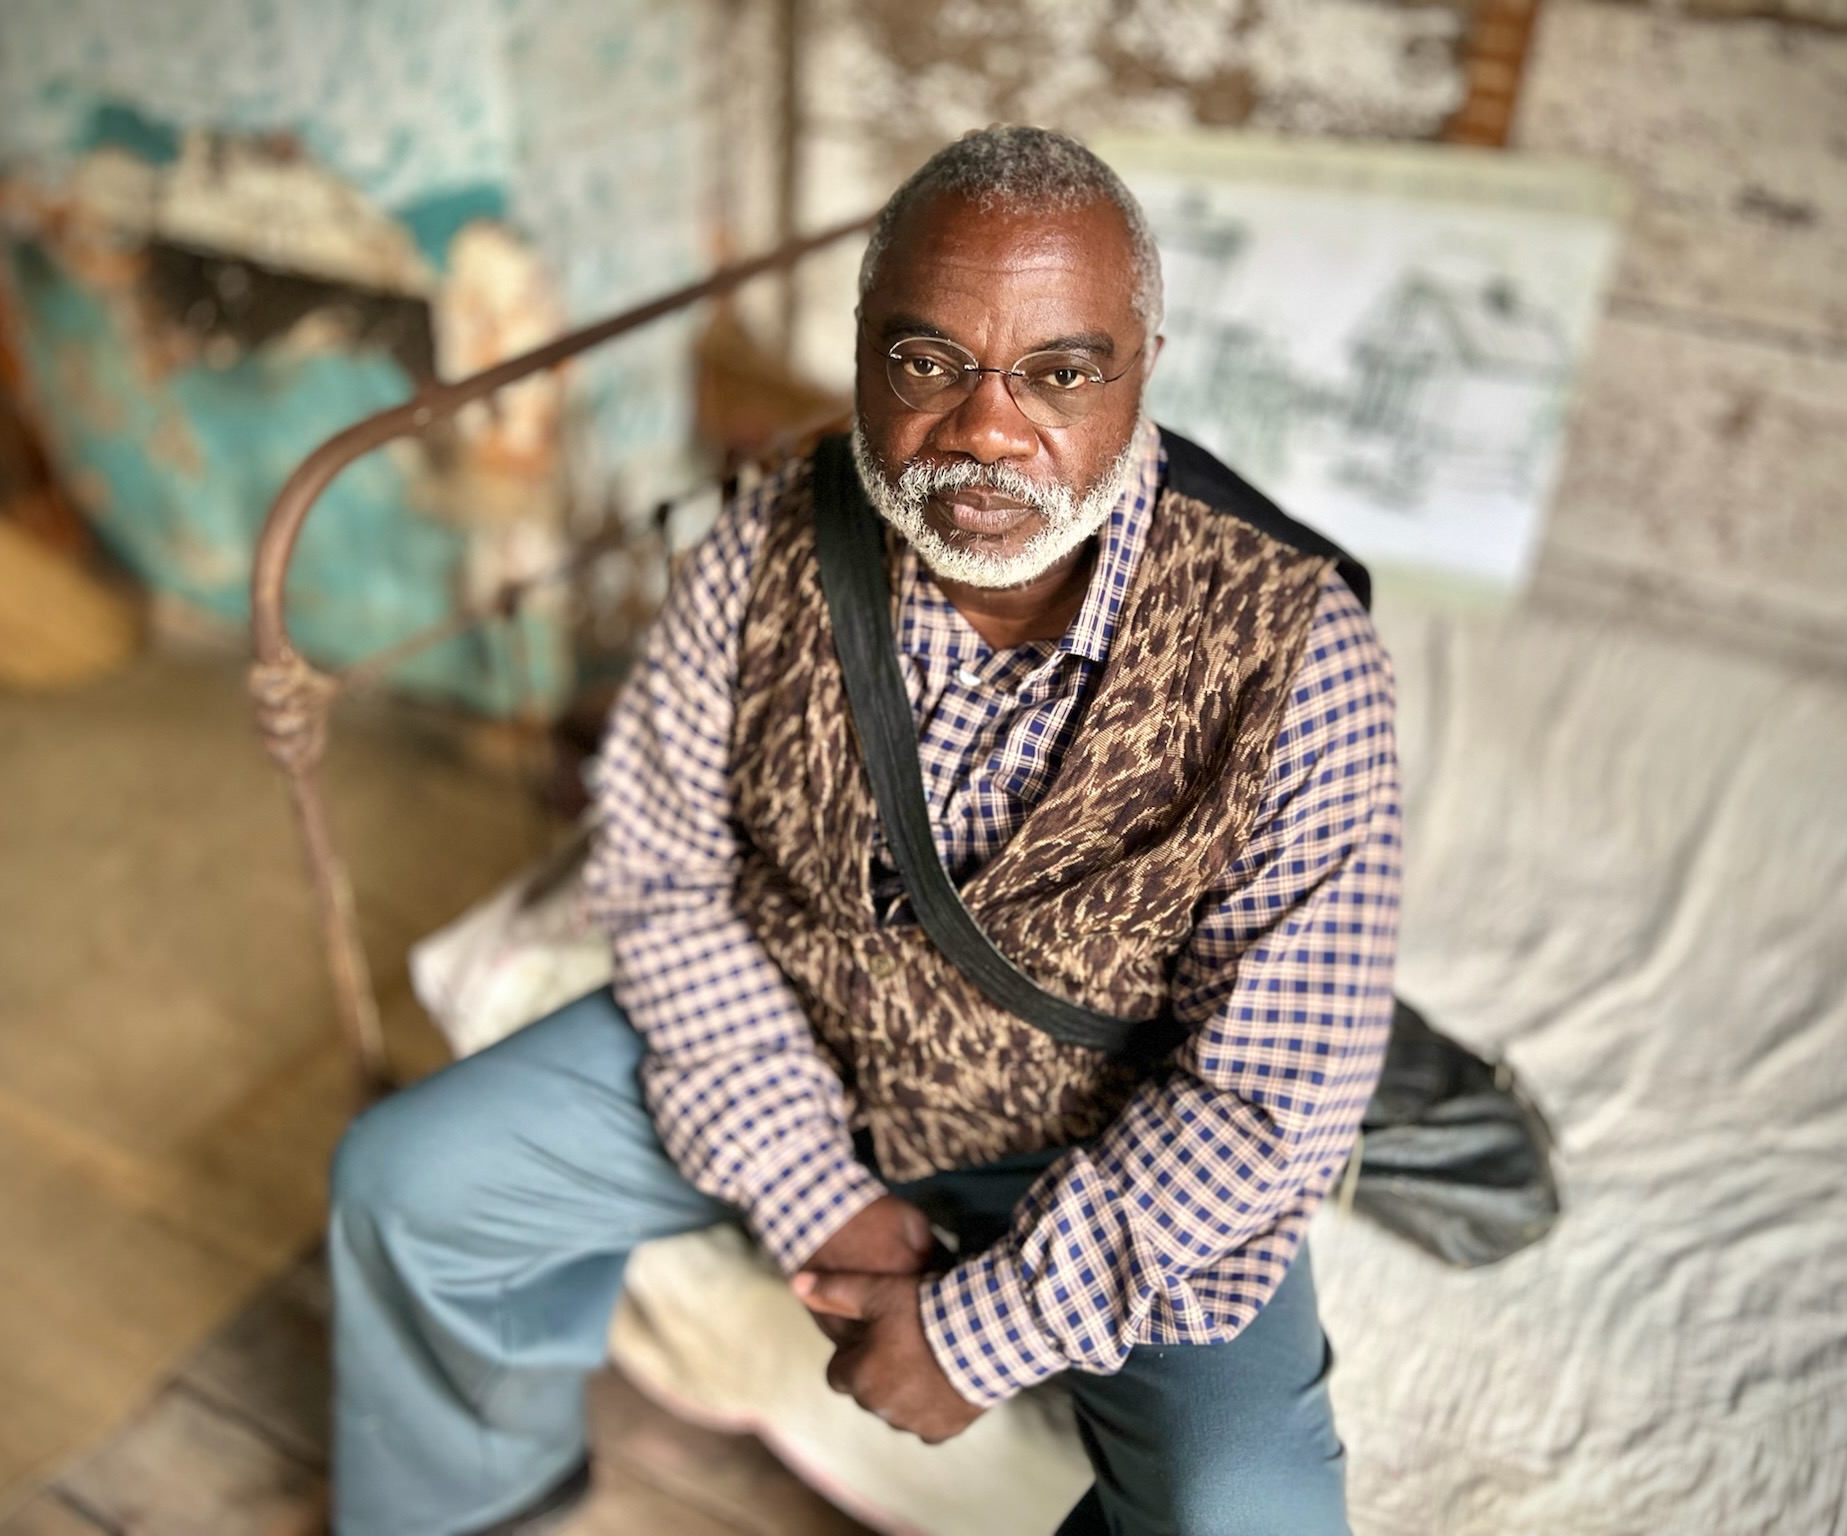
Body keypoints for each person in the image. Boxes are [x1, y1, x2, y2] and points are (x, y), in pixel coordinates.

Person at [327, 125, 1400, 1536]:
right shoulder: (762, 545)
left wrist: (983, 1331)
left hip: (1105, 1127)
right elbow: (660, 880)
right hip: (806, 1033)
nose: (985, 430)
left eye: (1060, 374)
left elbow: (1265, 1107)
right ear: (859, 352)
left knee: (1247, 1515)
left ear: (1143, 367)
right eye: (926, 361)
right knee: (410, 1184)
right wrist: (803, 1178)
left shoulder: (1298, 653)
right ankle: (475, 1496)